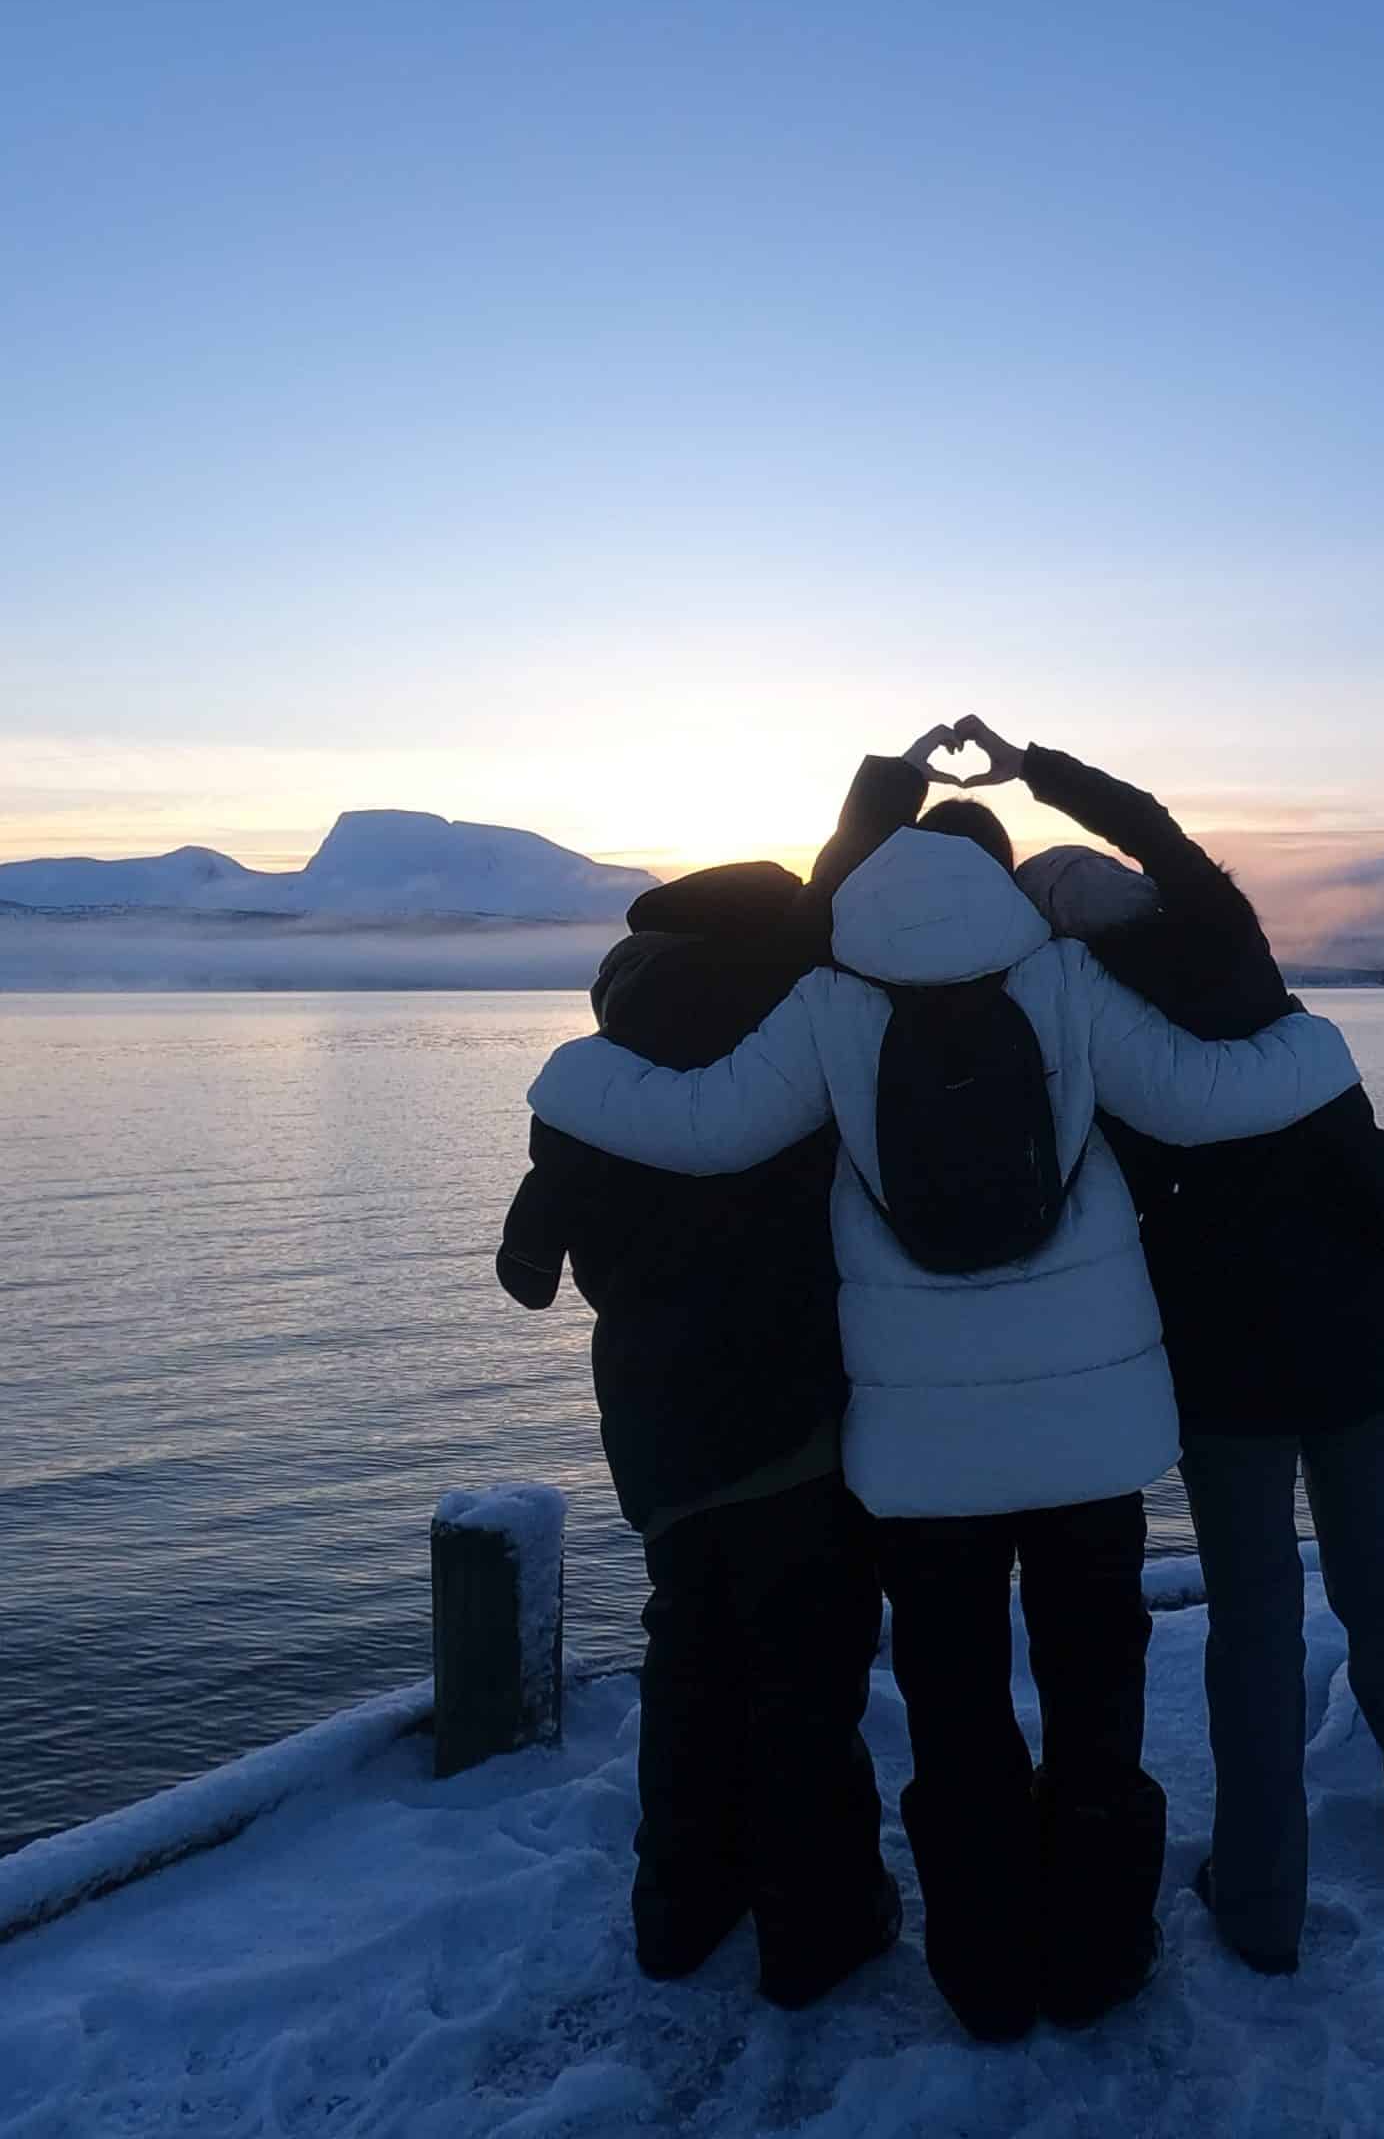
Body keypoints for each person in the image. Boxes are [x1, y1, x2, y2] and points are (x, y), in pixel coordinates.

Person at [524, 753, 1364, 2041]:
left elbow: (702, 1126)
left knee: (957, 1712)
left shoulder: (830, 1002)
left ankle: (982, 1972)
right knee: (1094, 1698)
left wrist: (565, 1077)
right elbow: (1207, 1100)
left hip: (919, 1451)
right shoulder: (1064, 979)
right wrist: (1321, 1044)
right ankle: (1095, 1952)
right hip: (1091, 1438)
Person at [948, 716, 1384, 1974]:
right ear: (1134, 887)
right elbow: (1148, 821)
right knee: (1382, 1575)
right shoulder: (1228, 940)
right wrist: (1037, 768)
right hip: (1364, 1338)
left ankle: (1259, 1900)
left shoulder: (1082, 1020)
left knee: (1254, 1622)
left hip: (1226, 1369)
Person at [494, 860, 897, 2012]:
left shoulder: (594, 1080)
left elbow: (525, 1270)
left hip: (658, 1423)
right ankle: (816, 1927)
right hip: (792, 1409)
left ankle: (679, 1908)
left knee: (692, 1658)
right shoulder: (793, 1048)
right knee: (804, 1673)